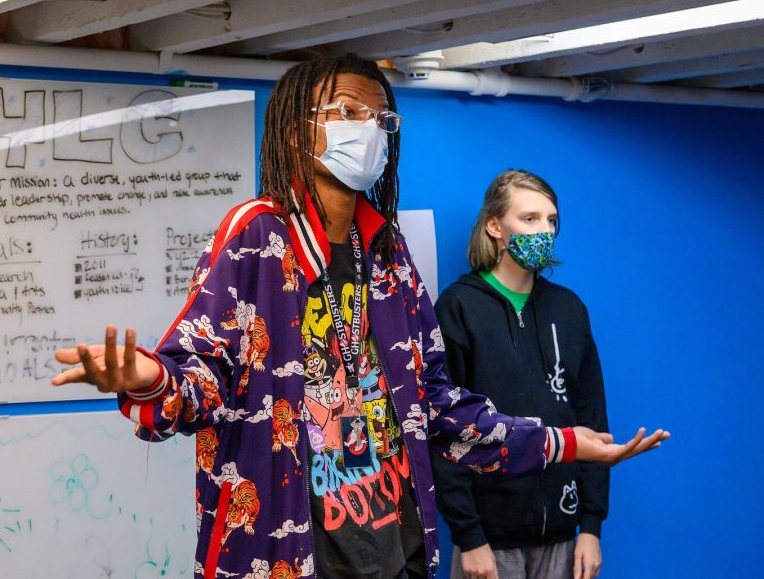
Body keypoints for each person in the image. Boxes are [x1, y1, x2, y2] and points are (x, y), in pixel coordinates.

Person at [52, 55, 668, 579]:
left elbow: (436, 406)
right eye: (347, 113)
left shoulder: (388, 251)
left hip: (397, 552)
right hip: (290, 556)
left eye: (380, 118)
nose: (367, 130)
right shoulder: (258, 236)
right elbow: (202, 380)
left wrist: (562, 443)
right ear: (298, 131)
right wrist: (147, 378)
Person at [431, 170, 615, 579]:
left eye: (551, 221)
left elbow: (592, 418)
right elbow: (445, 428)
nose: (544, 231)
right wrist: (470, 536)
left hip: (565, 538)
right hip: (490, 544)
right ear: (495, 226)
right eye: (530, 219)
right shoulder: (459, 308)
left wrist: (591, 527)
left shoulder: (569, 310)